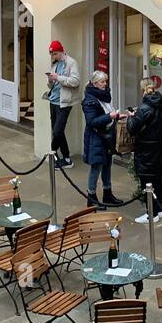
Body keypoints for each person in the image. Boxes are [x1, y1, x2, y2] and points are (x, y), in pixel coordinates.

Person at [127, 76, 162, 223]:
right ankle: (159, 209)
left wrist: (130, 117)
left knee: (147, 181)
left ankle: (151, 214)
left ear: (143, 89)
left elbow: (132, 128)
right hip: (159, 148)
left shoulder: (145, 108)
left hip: (146, 149)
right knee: (156, 180)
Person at [81, 70, 122, 208]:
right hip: (96, 137)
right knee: (96, 166)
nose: (105, 84)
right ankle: (91, 197)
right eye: (102, 81)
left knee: (107, 164)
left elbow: (108, 111)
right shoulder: (90, 100)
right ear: (94, 83)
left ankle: (107, 193)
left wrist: (117, 116)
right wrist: (109, 116)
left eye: (106, 81)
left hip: (106, 136)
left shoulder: (104, 96)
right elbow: (91, 121)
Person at [45, 39, 80, 169]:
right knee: (58, 131)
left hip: (64, 102)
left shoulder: (71, 63)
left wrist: (58, 78)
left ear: (61, 51)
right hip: (53, 101)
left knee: (58, 130)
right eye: (52, 54)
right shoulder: (55, 64)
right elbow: (50, 85)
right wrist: (50, 80)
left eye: (55, 54)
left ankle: (53, 151)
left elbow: (76, 81)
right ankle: (66, 158)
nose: (53, 56)